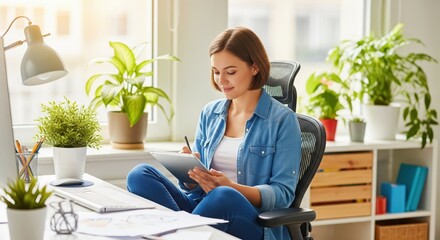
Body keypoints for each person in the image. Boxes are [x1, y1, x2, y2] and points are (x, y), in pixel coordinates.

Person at [127, 27, 301, 240]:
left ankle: (180, 233)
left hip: (251, 221)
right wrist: (191, 174)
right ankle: (182, 233)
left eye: (231, 72)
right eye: (216, 72)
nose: (221, 80)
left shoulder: (283, 120)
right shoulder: (210, 113)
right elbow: (194, 189)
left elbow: (283, 195)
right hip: (203, 208)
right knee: (140, 174)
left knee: (223, 195)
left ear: (254, 67)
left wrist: (232, 187)